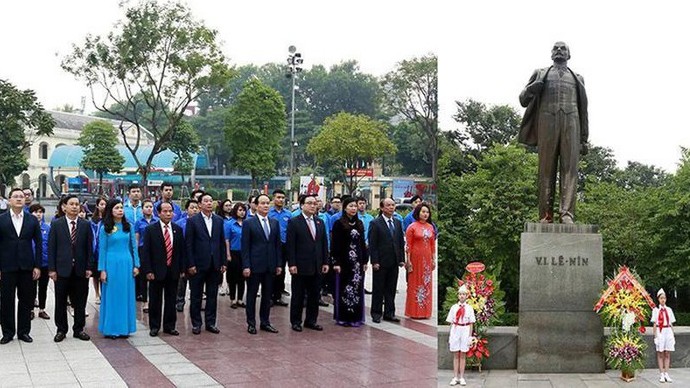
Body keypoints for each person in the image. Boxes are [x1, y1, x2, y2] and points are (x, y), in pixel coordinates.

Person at [519, 41, 589, 224]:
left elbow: (584, 110)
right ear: (551, 54)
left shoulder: (578, 78)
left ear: (569, 54)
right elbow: (522, 100)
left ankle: (567, 214)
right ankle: (545, 215)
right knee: (546, 169)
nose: (559, 50)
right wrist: (530, 89)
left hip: (572, 122)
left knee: (570, 170)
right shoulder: (541, 73)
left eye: (563, 48)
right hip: (546, 122)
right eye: (556, 48)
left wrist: (584, 138)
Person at [47, 194, 94, 342]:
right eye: (71, 204)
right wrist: (52, 269)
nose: (75, 206)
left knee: (80, 301)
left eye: (77, 204)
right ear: (64, 207)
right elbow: (51, 248)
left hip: (80, 270)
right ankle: (61, 330)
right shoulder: (56, 224)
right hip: (62, 270)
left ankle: (79, 329)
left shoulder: (86, 224)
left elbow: (89, 248)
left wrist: (89, 267)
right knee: (60, 301)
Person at [0, 188, 42, 344]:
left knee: (26, 300)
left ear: (25, 200)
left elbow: (38, 244)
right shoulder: (1, 219)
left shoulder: (32, 220)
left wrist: (37, 266)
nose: (19, 199)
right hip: (6, 267)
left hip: (27, 267)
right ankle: (8, 332)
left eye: (21, 197)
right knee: (6, 300)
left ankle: (24, 332)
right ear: (9, 200)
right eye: (15, 196)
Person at [141, 202, 185, 337]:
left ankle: (169, 326)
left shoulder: (177, 229)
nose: (168, 214)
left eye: (170, 211)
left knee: (171, 300)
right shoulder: (150, 230)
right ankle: (154, 326)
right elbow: (146, 252)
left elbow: (181, 252)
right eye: (165, 211)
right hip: (156, 271)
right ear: (158, 213)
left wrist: (182, 269)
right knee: (155, 300)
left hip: (173, 271)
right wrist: (148, 271)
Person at [286, 195, 329, 332]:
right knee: (298, 295)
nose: (312, 206)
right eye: (309, 203)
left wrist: (325, 262)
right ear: (302, 205)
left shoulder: (319, 222)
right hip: (300, 265)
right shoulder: (294, 222)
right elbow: (290, 245)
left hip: (317, 265)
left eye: (314, 203)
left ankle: (311, 320)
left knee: (314, 295)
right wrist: (292, 264)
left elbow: (323, 243)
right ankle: (296, 321)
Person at [98, 199, 140, 339]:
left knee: (125, 295)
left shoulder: (129, 226)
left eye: (121, 207)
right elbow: (102, 249)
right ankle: (111, 328)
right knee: (112, 295)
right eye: (117, 208)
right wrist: (102, 269)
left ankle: (125, 328)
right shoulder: (105, 228)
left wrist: (136, 265)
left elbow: (134, 247)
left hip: (126, 263)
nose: (120, 210)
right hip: (111, 263)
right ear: (111, 210)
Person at [185, 193, 226, 335]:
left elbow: (221, 242)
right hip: (198, 264)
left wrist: (223, 262)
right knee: (196, 296)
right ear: (200, 204)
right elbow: (188, 244)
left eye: (211, 201)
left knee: (212, 295)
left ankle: (211, 323)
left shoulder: (219, 220)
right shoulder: (193, 221)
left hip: (214, 264)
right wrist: (190, 264)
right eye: (206, 201)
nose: (209, 203)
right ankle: (196, 323)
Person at [242, 194, 282, 335]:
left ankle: (265, 322)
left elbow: (277, 245)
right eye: (262, 203)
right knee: (252, 295)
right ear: (256, 205)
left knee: (267, 296)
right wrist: (246, 265)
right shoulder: (248, 223)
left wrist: (278, 264)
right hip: (254, 265)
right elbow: (245, 246)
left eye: (267, 203)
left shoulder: (274, 222)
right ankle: (251, 323)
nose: (266, 206)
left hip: (270, 265)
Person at [331, 196, 368, 327]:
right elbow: (335, 245)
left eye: (355, 206)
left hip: (357, 263)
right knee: (344, 288)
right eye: (350, 206)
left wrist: (365, 261)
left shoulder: (359, 223)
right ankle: (344, 317)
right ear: (344, 208)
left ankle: (356, 316)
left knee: (357, 288)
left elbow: (362, 243)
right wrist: (336, 263)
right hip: (344, 262)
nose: (353, 209)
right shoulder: (339, 223)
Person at [367, 197, 405, 323]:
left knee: (391, 288)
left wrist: (401, 259)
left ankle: (389, 313)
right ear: (382, 208)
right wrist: (374, 261)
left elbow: (400, 243)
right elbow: (373, 245)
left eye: (393, 205)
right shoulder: (375, 223)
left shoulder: (398, 222)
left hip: (394, 261)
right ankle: (376, 313)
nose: (391, 207)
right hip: (381, 262)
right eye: (388, 205)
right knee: (378, 289)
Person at [404, 202, 436, 319]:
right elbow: (408, 246)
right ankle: (414, 312)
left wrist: (433, 259)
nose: (425, 214)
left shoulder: (431, 227)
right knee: (415, 283)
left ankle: (425, 312)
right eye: (423, 211)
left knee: (426, 283)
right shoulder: (412, 227)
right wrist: (408, 261)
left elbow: (432, 245)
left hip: (427, 260)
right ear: (418, 212)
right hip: (415, 259)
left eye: (427, 212)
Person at [447, 284, 475, 386]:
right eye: (460, 294)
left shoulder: (469, 308)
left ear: (467, 296)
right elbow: (451, 322)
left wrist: (470, 337)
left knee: (463, 354)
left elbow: (471, 323)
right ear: (458, 296)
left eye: (464, 294)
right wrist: (450, 335)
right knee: (455, 354)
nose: (462, 296)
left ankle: (462, 377)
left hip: (465, 329)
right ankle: (455, 377)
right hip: (456, 329)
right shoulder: (454, 307)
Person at [175, 198, 199, 312]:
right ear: (186, 209)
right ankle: (180, 301)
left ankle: (196, 302)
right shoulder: (180, 223)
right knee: (182, 280)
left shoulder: (201, 222)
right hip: (183, 255)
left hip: (197, 255)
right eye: (192, 208)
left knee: (196, 281)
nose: (194, 210)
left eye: (196, 208)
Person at [268, 189, 291, 307]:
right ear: (273, 199)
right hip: (271, 245)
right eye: (278, 197)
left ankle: (278, 296)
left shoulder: (288, 214)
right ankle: (269, 296)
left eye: (283, 197)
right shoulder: (269, 213)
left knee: (282, 270)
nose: (281, 200)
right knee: (272, 270)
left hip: (285, 245)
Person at [134, 199, 158, 312]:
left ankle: (154, 301)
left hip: (156, 250)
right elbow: (137, 238)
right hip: (143, 250)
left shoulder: (157, 221)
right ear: (142, 209)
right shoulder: (139, 222)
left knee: (155, 276)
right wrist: (136, 254)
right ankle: (145, 301)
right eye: (146, 206)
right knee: (143, 276)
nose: (149, 208)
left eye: (151, 206)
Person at [29, 204, 51, 320]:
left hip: (44, 263)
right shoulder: (27, 227)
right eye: (35, 212)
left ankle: (42, 309)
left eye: (40, 212)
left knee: (43, 287)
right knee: (31, 287)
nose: (38, 214)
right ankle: (31, 309)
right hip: (30, 263)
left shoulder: (47, 228)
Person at [224, 202, 247, 308]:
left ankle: (240, 299)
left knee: (242, 277)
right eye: (240, 210)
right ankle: (233, 299)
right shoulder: (229, 224)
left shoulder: (247, 223)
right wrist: (228, 254)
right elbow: (227, 240)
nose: (242, 212)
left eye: (243, 210)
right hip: (233, 253)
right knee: (233, 277)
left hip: (244, 253)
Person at [652, 288, 675, 383]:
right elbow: (654, 324)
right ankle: (661, 373)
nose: (663, 300)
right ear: (658, 299)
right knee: (660, 353)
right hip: (660, 331)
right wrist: (655, 336)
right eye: (661, 298)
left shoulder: (669, 310)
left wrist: (673, 335)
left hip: (668, 330)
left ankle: (666, 373)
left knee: (667, 353)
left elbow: (671, 323)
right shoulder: (656, 310)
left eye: (664, 298)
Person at [90, 196, 107, 304]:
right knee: (96, 274)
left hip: (104, 249)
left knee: (104, 273)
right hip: (95, 250)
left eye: (105, 204)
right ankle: (97, 293)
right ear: (97, 205)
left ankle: (104, 293)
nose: (103, 206)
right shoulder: (93, 220)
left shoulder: (108, 220)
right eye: (101, 204)